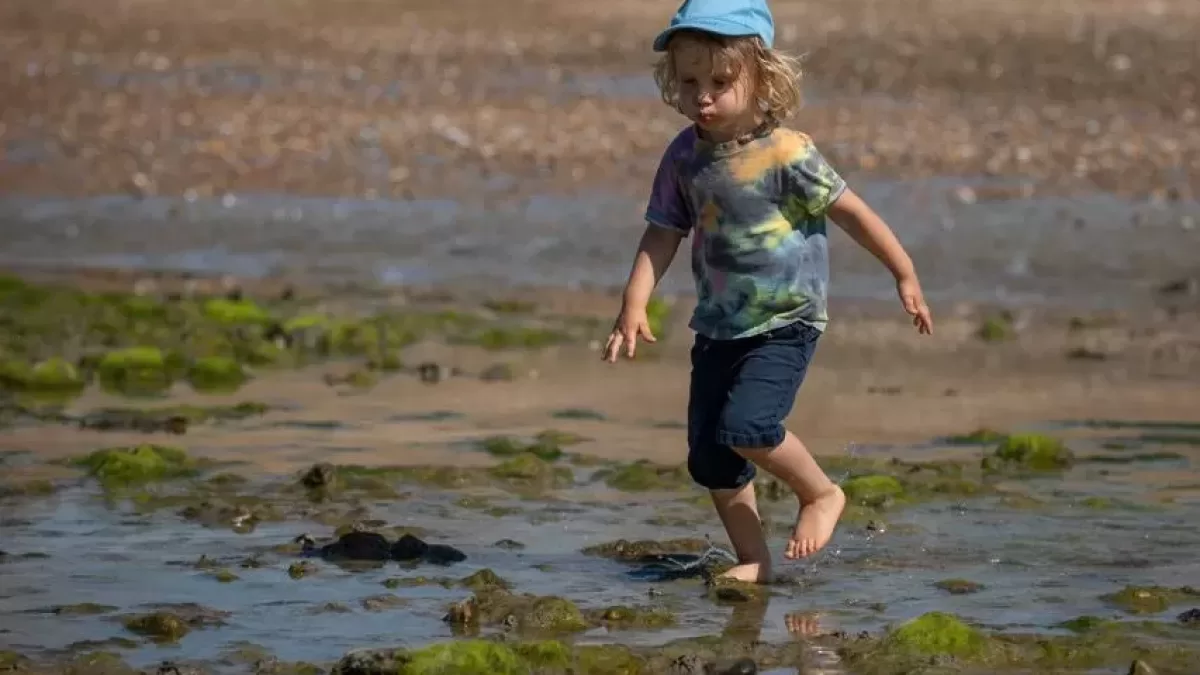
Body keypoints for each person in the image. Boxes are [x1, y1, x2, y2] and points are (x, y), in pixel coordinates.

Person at [602, 0, 934, 583]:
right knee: (710, 457)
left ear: (763, 78)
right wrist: (633, 304)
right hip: (718, 325)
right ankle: (754, 560)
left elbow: (851, 213)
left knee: (750, 429)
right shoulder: (684, 155)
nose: (702, 95)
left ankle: (822, 493)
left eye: (720, 82)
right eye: (689, 82)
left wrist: (902, 270)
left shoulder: (788, 153)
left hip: (785, 320)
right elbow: (662, 231)